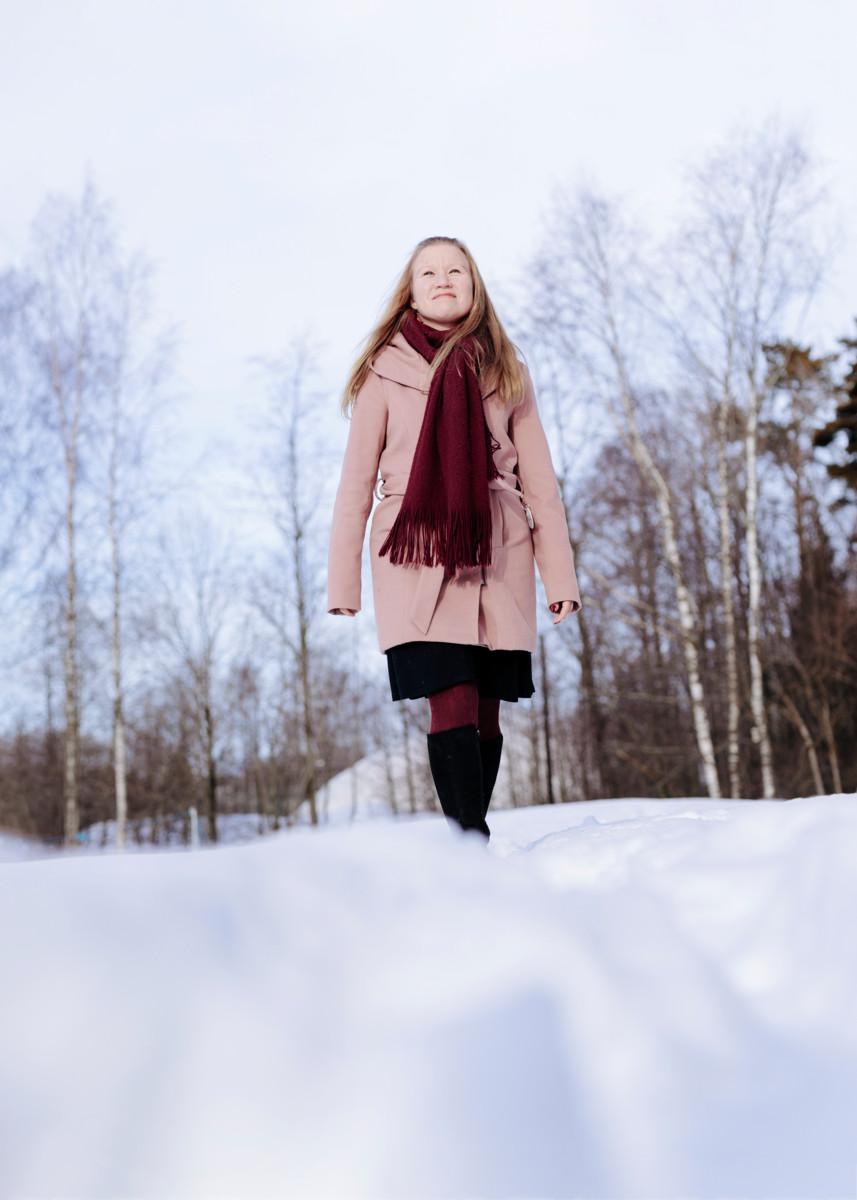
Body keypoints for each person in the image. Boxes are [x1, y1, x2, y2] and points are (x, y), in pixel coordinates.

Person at [327, 236, 581, 841]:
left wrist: (561, 578)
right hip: (415, 554)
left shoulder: (506, 370)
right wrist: (343, 583)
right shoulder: (382, 372)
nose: (444, 280)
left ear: (474, 285)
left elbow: (540, 483)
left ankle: (470, 833)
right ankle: (469, 841)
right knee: (453, 696)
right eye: (429, 273)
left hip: (498, 549)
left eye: (456, 271)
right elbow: (355, 484)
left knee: (488, 707)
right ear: (410, 291)